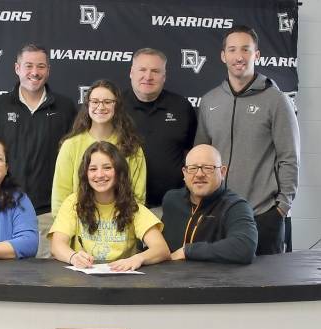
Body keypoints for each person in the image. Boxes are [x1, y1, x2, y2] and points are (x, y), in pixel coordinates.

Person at [195, 25, 300, 255]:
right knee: (219, 287)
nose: (239, 56)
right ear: (223, 56)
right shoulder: (209, 101)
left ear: (257, 55)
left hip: (263, 215)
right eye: (232, 50)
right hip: (218, 214)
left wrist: (281, 207)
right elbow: (200, 158)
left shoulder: (277, 100)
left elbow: (289, 157)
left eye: (245, 49)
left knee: (267, 288)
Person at [0, 43, 76, 257]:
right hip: (3, 209)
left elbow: (75, 159)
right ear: (17, 68)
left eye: (41, 66)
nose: (35, 72)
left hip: (48, 214)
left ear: (48, 70)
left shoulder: (66, 107)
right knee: (2, 279)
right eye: (28, 65)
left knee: (44, 281)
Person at [49, 141, 169, 271]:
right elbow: (57, 245)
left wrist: (137, 258)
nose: (100, 175)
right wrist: (73, 257)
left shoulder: (132, 206)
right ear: (85, 174)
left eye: (107, 167)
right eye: (93, 169)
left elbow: (161, 249)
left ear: (119, 172)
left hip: (121, 280)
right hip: (82, 279)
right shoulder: (73, 202)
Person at [51, 79, 146, 217]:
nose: (100, 107)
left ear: (117, 105)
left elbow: (138, 198)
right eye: (95, 101)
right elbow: (60, 197)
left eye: (107, 102)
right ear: (87, 105)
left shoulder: (132, 147)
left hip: (121, 227)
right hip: (79, 229)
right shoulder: (70, 146)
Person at [123, 48, 197, 213]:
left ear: (164, 76)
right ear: (131, 73)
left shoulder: (182, 107)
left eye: (155, 71)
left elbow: (191, 153)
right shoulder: (114, 107)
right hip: (124, 206)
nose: (148, 76)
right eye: (142, 70)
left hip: (172, 207)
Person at [162, 145, 257, 264]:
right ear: (184, 173)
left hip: (215, 281)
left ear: (222, 172)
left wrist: (187, 251)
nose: (199, 174)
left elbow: (244, 247)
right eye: (192, 168)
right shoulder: (172, 200)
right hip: (169, 279)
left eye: (208, 168)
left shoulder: (236, 206)